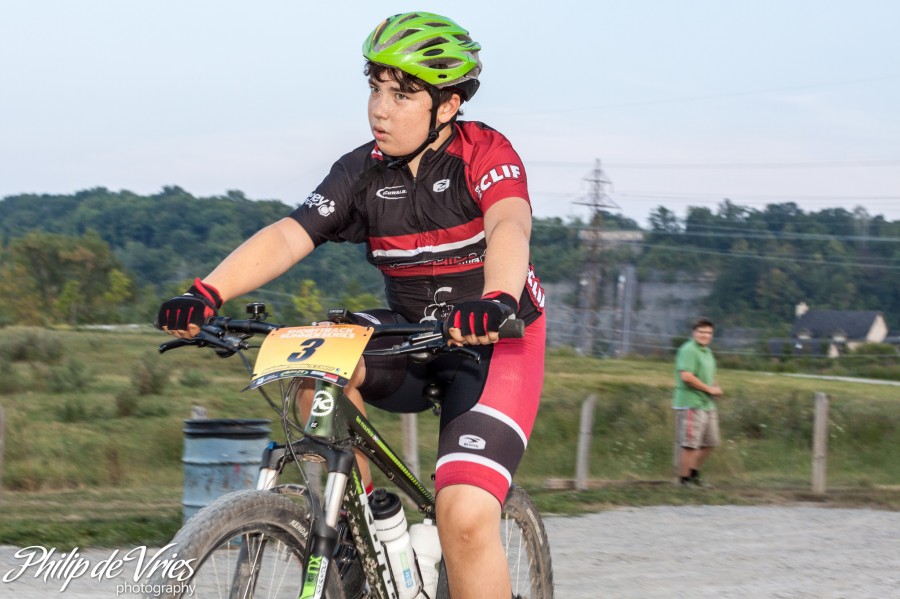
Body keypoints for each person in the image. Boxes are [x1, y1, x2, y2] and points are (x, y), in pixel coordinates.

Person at [156, 11, 546, 599]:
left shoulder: (485, 153)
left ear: (448, 105)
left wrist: (496, 299)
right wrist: (205, 293)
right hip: (413, 334)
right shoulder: (360, 172)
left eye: (402, 95)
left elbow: (509, 226)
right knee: (313, 369)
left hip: (495, 341)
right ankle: (361, 543)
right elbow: (289, 235)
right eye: (375, 89)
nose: (379, 110)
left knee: (463, 515)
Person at [673, 317, 723, 487]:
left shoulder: (707, 352)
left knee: (710, 442)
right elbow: (686, 376)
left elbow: (709, 375)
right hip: (691, 403)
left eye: (709, 333)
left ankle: (693, 474)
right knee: (690, 444)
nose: (705, 335)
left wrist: (715, 387)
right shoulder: (689, 350)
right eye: (701, 332)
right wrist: (709, 389)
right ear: (694, 332)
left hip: (707, 403)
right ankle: (684, 480)